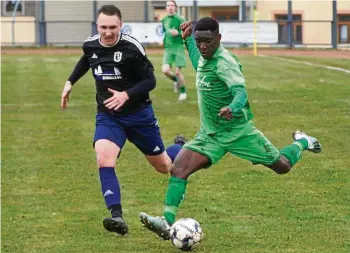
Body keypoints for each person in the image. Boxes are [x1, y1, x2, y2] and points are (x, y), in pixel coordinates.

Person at [138, 17, 322, 240]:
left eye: (207, 41)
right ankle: (167, 223)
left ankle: (303, 141)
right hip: (210, 134)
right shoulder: (205, 55)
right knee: (179, 169)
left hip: (238, 132)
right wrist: (188, 42)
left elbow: (240, 92)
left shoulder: (225, 62)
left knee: (282, 166)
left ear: (219, 39)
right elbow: (198, 64)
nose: (203, 46)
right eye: (199, 41)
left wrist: (233, 107)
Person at [60, 5, 185, 236]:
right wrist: (69, 83)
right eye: (103, 27)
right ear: (97, 27)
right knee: (103, 159)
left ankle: (181, 147)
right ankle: (116, 216)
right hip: (109, 116)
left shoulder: (132, 48)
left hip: (139, 115)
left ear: (120, 26)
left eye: (113, 27)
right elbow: (87, 60)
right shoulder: (90, 44)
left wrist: (126, 95)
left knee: (164, 167)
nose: (108, 32)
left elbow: (151, 81)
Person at [161, 0, 187, 101]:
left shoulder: (180, 19)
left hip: (178, 47)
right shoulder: (164, 20)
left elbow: (187, 33)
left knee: (177, 72)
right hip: (168, 48)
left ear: (175, 7)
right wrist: (163, 41)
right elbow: (165, 32)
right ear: (166, 8)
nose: (170, 7)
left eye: (172, 5)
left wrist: (179, 33)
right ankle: (176, 81)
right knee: (165, 70)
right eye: (168, 5)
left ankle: (183, 92)